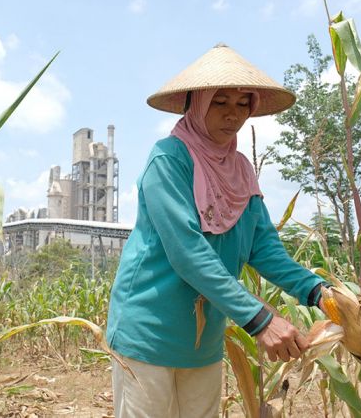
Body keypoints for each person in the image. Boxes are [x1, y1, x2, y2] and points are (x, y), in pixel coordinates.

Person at [106, 43, 329, 418]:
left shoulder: (241, 169)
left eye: (243, 104)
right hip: (149, 332)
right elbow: (187, 252)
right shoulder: (169, 160)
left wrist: (321, 293)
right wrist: (260, 320)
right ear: (195, 103)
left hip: (202, 339)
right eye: (220, 102)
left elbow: (264, 249)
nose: (233, 115)